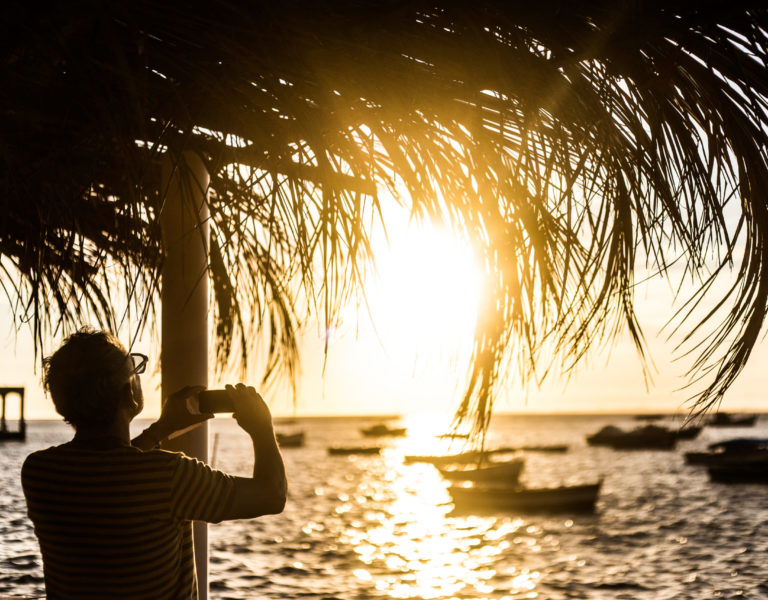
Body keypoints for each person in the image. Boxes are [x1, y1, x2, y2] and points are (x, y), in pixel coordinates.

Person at [21, 328, 287, 599]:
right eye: (134, 368)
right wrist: (262, 428)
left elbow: (111, 472)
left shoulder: (40, 472)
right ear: (130, 395)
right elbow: (272, 496)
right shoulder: (169, 476)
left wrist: (161, 430)